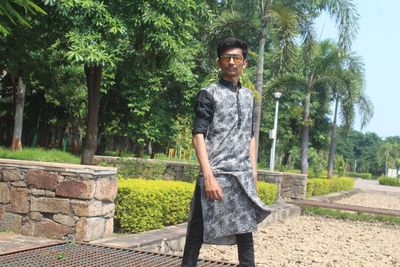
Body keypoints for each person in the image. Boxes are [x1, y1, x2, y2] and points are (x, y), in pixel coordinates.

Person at [181, 37, 271, 267]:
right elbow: (198, 134)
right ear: (219, 62)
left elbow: (250, 135)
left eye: (236, 58)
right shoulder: (208, 93)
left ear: (245, 63)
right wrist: (208, 176)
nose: (231, 62)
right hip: (217, 175)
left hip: (241, 176)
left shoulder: (249, 96)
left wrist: (253, 170)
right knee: (197, 231)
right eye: (226, 58)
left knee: (245, 233)